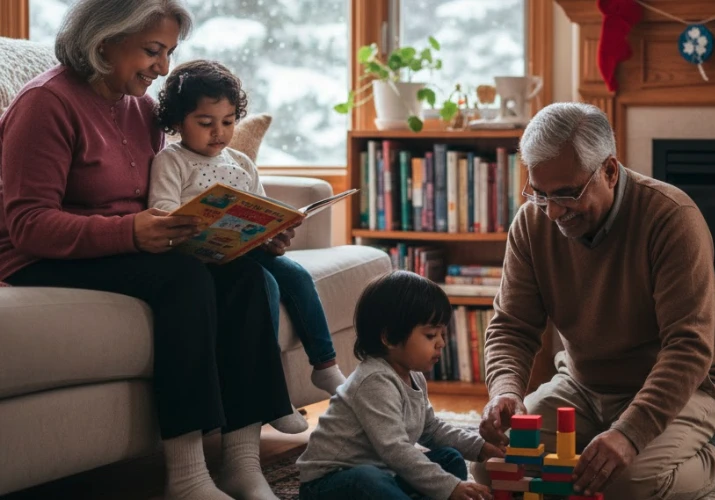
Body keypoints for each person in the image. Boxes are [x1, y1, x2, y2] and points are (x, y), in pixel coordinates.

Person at [0, 1, 296, 499]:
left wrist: (252, 233)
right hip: (40, 259)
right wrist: (130, 233)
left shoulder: (142, 110)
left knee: (245, 273)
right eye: (152, 51)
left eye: (169, 53)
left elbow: (167, 194)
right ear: (103, 42)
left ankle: (243, 465)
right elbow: (27, 225)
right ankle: (187, 475)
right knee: (183, 280)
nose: (162, 68)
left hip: (135, 246)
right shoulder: (44, 104)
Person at [473, 102, 715, 500]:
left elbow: (688, 348)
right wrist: (505, 389)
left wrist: (628, 434)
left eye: (567, 194)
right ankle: (605, 446)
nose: (552, 212)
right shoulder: (532, 223)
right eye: (540, 194)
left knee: (622, 488)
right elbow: (512, 325)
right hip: (583, 385)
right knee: (489, 465)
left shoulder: (672, 218)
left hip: (689, 389)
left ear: (610, 170)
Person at [147, 60, 348, 429]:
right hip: (203, 258)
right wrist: (190, 223)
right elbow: (162, 211)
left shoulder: (239, 161)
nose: (218, 133)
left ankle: (325, 365)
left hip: (247, 249)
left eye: (227, 122)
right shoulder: (171, 161)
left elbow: (261, 208)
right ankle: (269, 391)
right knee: (264, 286)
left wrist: (274, 236)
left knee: (295, 275)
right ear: (177, 121)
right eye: (205, 123)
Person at [297, 271, 503, 500]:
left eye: (442, 334)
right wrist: (449, 487)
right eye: (430, 335)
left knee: (450, 458)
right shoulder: (373, 380)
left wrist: (480, 447)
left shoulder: (414, 377)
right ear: (389, 338)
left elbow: (431, 429)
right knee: (367, 478)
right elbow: (395, 450)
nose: (441, 343)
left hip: (384, 474)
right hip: (328, 483)